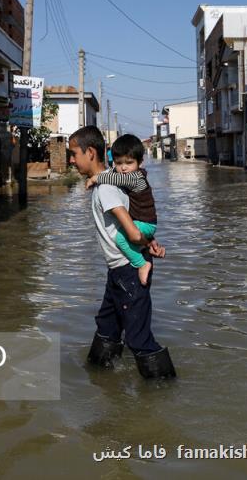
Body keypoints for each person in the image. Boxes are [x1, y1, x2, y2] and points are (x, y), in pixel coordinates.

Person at [68, 126, 176, 379]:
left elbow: (132, 231)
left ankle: (164, 390)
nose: (71, 160)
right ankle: (98, 379)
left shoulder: (106, 187)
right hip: (117, 270)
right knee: (107, 327)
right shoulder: (110, 181)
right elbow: (135, 218)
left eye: (73, 153)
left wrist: (144, 241)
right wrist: (149, 242)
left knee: (138, 338)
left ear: (90, 152)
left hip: (129, 270)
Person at [85, 134, 156, 286]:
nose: (123, 168)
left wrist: (95, 178)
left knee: (121, 238)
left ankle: (141, 263)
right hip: (140, 222)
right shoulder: (126, 172)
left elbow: (116, 178)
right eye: (119, 163)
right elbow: (113, 173)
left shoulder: (136, 178)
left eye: (129, 163)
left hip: (147, 224)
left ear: (140, 163)